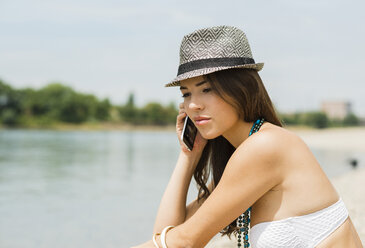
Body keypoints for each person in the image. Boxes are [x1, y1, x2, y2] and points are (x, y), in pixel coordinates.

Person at [131, 25, 362, 248]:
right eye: (186, 93)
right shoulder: (239, 159)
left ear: (240, 88)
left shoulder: (266, 146)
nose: (193, 105)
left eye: (206, 89)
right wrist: (188, 157)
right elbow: (165, 236)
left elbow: (184, 242)